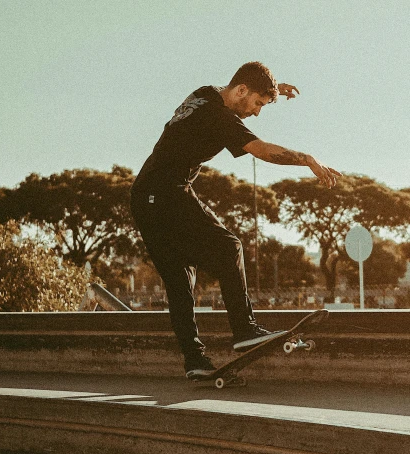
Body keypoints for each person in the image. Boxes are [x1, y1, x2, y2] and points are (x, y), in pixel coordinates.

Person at [130, 61, 341, 379]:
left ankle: (195, 361)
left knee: (180, 281)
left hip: (145, 195)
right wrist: (307, 160)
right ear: (241, 91)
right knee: (229, 247)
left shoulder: (207, 93)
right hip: (165, 193)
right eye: (257, 104)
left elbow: (245, 82)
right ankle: (245, 330)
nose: (257, 113)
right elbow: (263, 150)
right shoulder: (220, 118)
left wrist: (273, 89)